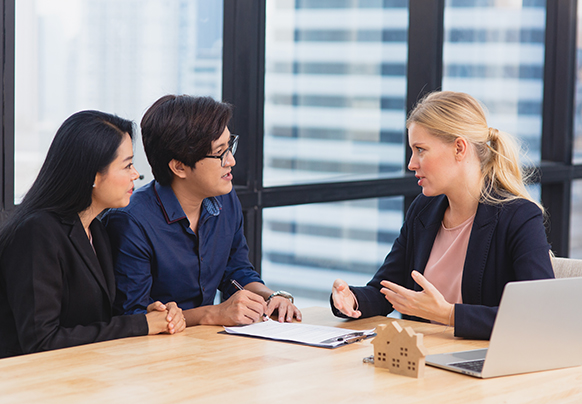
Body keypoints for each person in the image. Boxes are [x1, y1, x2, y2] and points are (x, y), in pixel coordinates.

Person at [331, 91, 554, 340]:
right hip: (422, 362)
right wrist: (352, 298)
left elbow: (539, 317)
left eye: (420, 150)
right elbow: (387, 291)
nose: (411, 163)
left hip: (484, 367)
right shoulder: (423, 210)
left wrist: (448, 314)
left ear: (459, 148)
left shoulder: (519, 217)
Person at [0, 111, 186, 359]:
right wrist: (141, 325)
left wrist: (151, 314)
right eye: (128, 165)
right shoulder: (37, 232)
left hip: (84, 375)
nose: (136, 175)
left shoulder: (95, 228)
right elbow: (41, 341)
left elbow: (92, 320)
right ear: (93, 176)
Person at [103, 95, 301, 326]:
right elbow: (132, 316)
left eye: (230, 147)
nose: (231, 161)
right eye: (220, 153)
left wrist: (271, 297)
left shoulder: (225, 200)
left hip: (204, 345)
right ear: (179, 166)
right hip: (152, 353)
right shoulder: (131, 221)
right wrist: (212, 314)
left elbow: (235, 271)